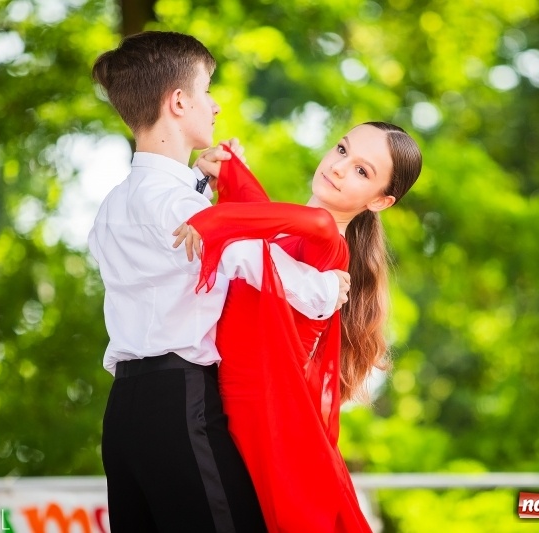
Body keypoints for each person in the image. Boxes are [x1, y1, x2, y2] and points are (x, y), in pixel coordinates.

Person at [87, 31, 350, 533]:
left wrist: (201, 180)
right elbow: (254, 261)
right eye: (207, 90)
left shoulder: (114, 204)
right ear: (179, 101)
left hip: (124, 414)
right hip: (181, 405)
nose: (215, 104)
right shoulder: (179, 205)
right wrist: (325, 290)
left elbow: (168, 237)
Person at [178, 122, 423, 532]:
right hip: (234, 416)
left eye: (363, 171)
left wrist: (212, 220)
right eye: (342, 150)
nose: (340, 167)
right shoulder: (285, 237)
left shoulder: (329, 243)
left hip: (271, 427)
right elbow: (261, 215)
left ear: (381, 201)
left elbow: (275, 221)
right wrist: (228, 169)